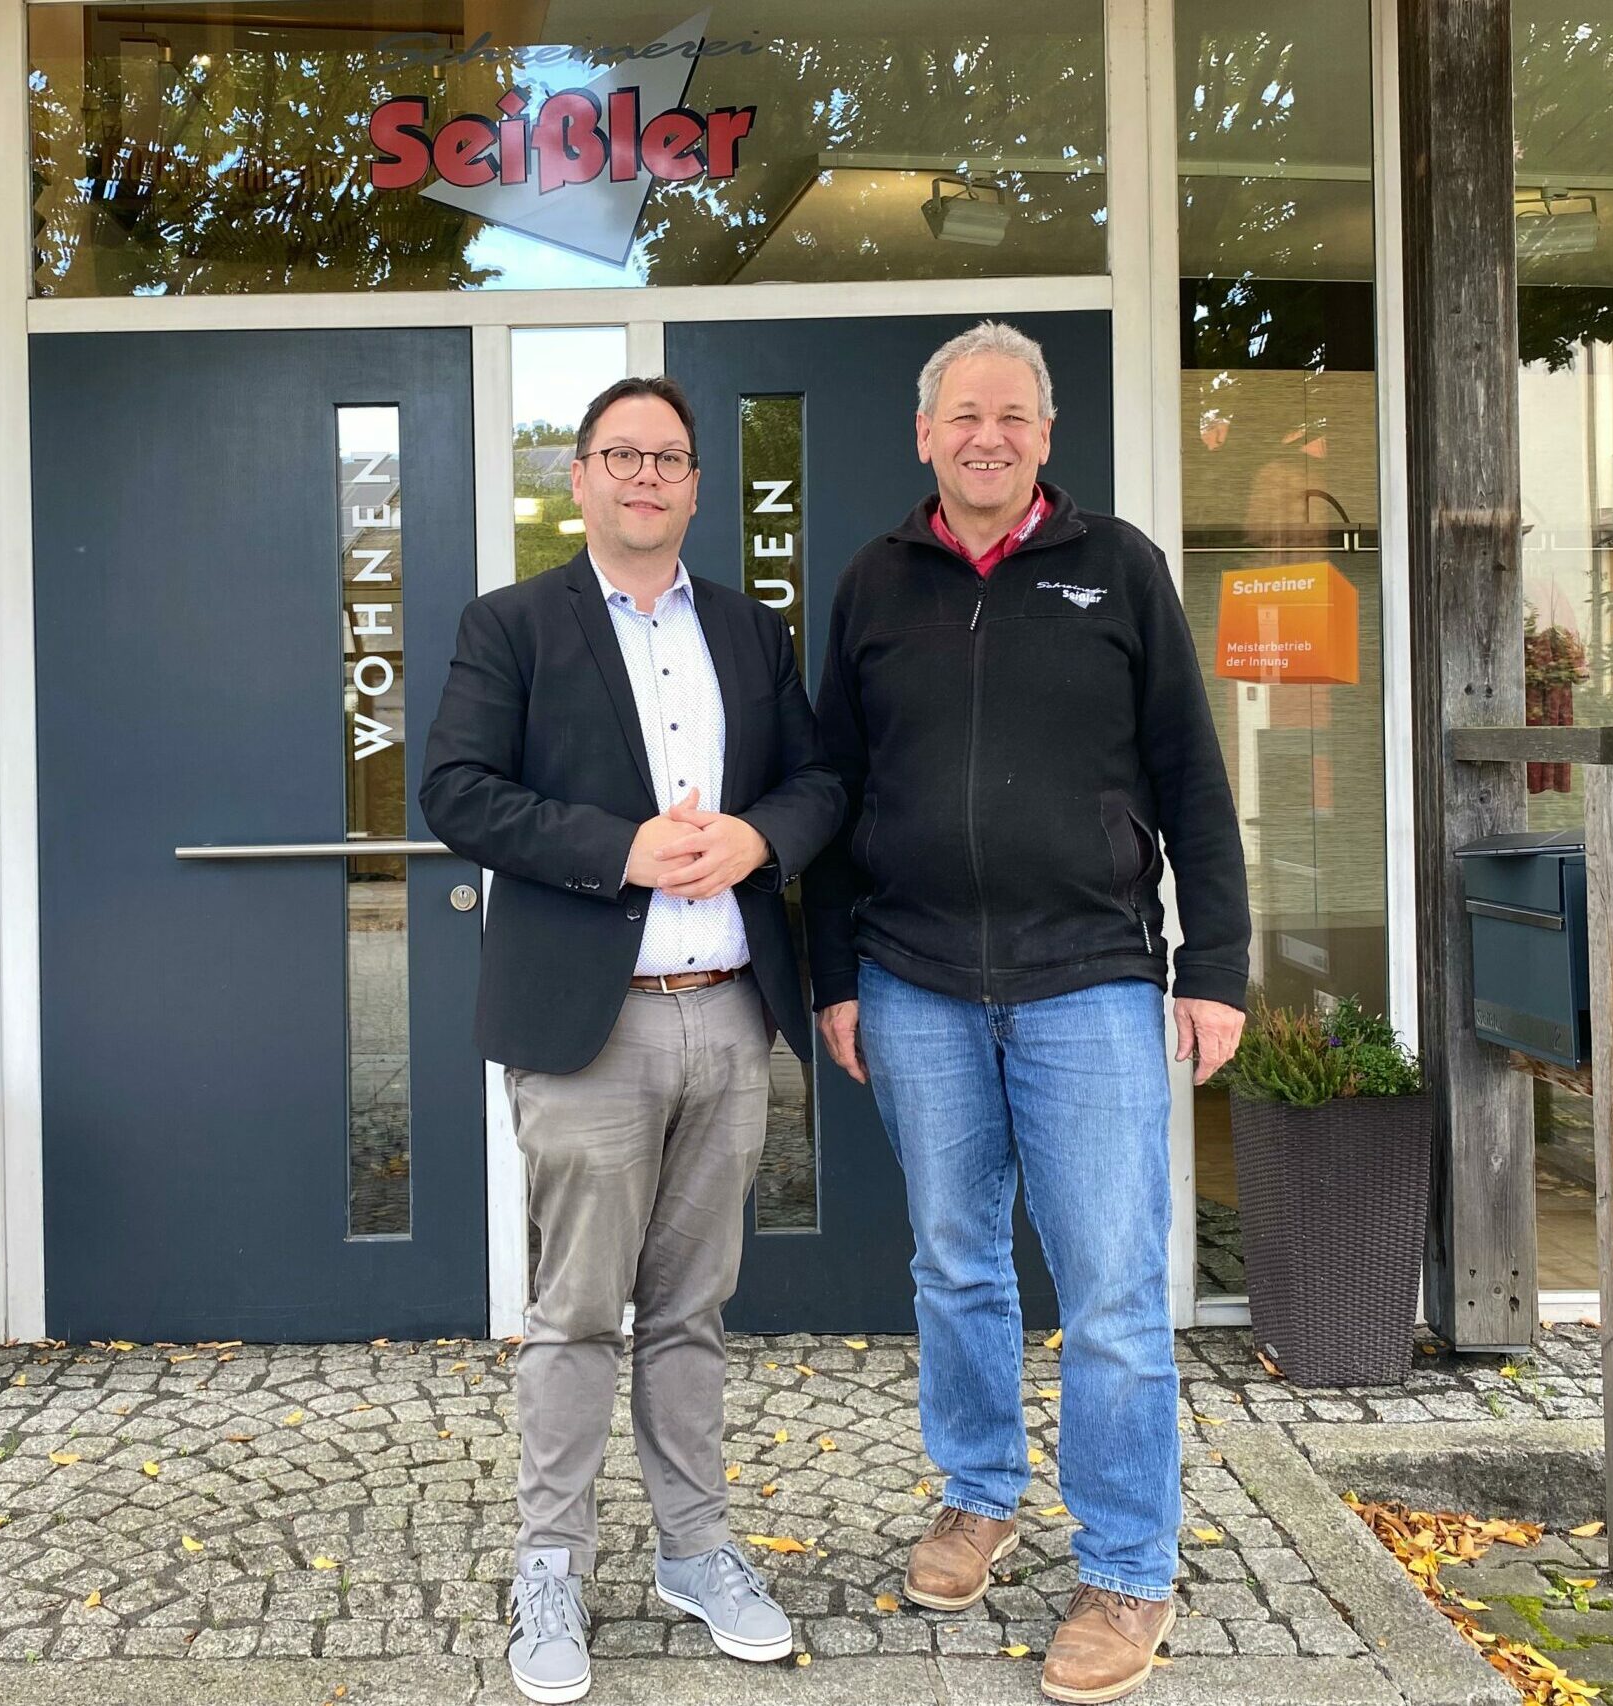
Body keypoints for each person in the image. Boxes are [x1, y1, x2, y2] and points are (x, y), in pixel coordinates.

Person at [805, 321, 1251, 1704]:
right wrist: (832, 974)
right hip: (914, 980)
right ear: (924, 435)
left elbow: (1190, 776)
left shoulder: (1121, 569)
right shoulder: (875, 582)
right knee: (955, 1262)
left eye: (1012, 415)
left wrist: (1216, 962)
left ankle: (1127, 1565)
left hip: (1092, 981)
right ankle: (980, 1493)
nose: (987, 435)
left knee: (1112, 1288)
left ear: (1047, 435)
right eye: (963, 415)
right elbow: (833, 793)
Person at [420, 375, 845, 1705]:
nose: (646, 475)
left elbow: (823, 782)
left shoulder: (751, 629)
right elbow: (455, 791)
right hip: (587, 1026)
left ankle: (695, 1550)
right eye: (621, 455)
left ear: (697, 485)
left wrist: (758, 838)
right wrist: (624, 849)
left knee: (692, 1307)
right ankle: (550, 1564)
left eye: (668, 457)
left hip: (729, 1010)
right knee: (573, 1314)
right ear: (581, 477)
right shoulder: (511, 625)